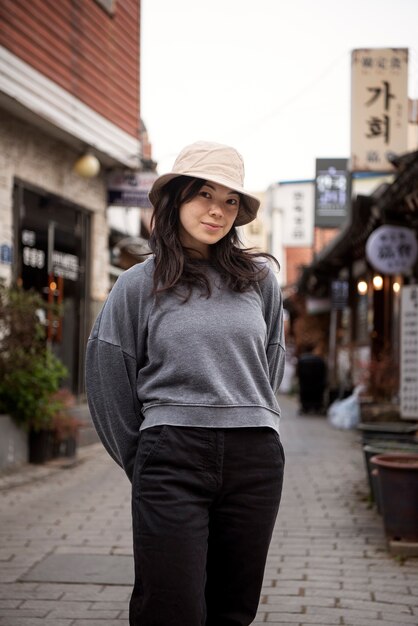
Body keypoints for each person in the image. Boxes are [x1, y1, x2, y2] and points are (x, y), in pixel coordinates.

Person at [85, 140, 286, 626]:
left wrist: (249, 411)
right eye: (203, 195)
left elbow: (270, 363)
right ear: (175, 198)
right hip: (171, 456)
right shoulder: (139, 282)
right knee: (169, 609)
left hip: (254, 460)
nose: (217, 211)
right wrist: (143, 456)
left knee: (232, 611)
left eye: (230, 201)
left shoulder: (259, 281)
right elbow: (107, 375)